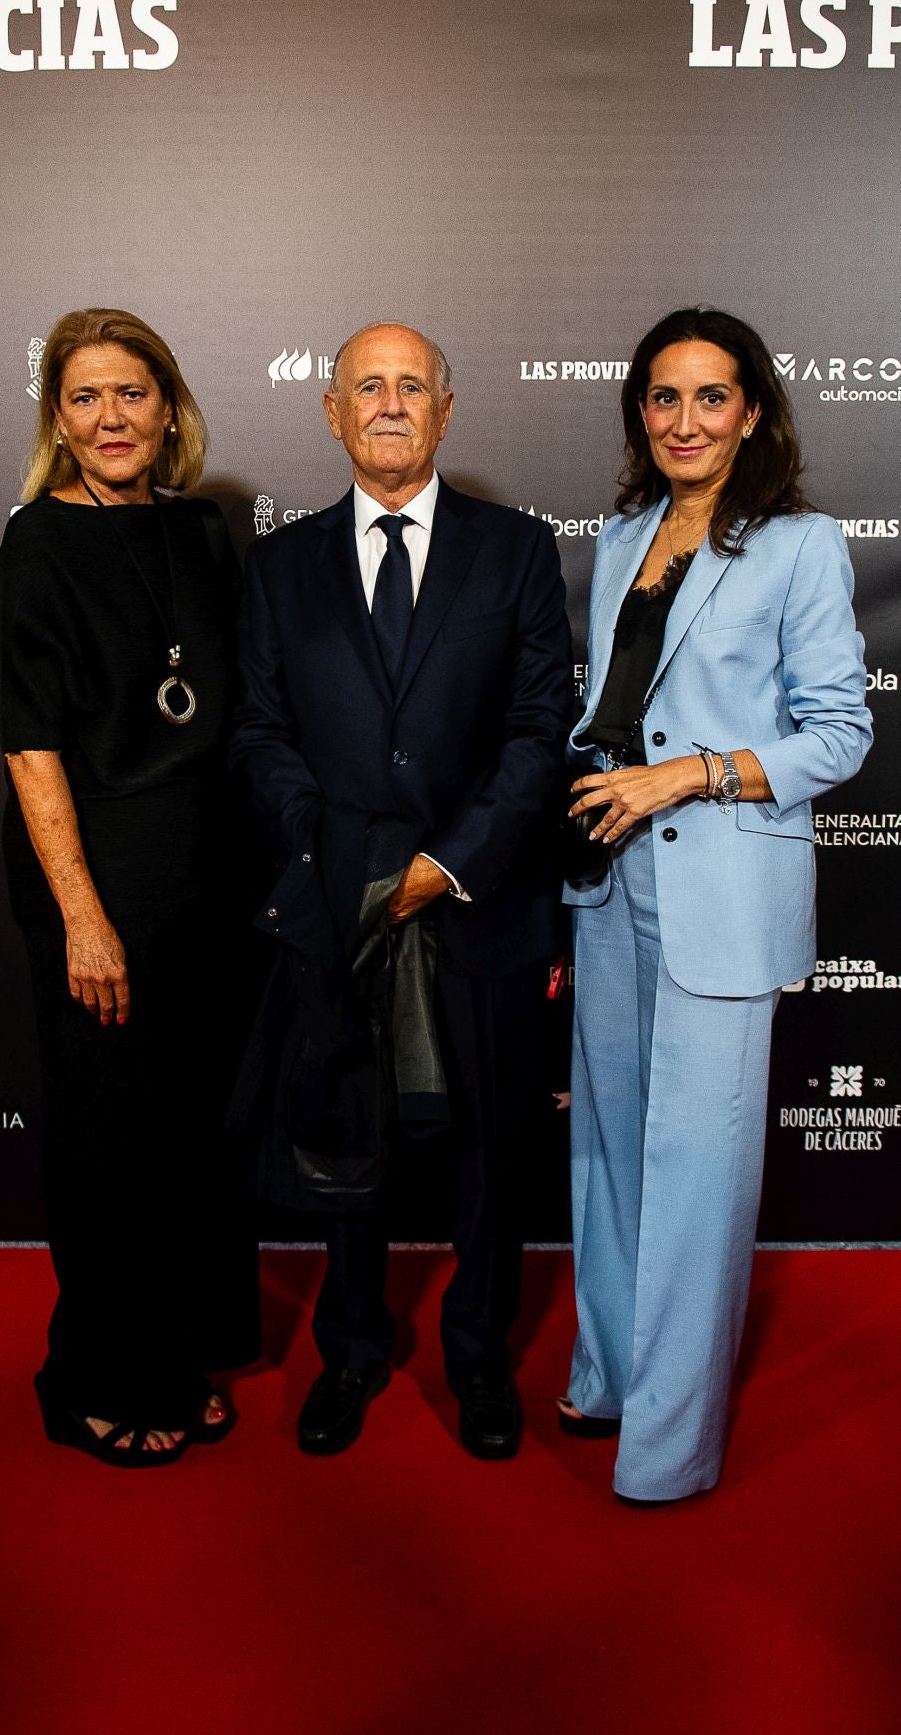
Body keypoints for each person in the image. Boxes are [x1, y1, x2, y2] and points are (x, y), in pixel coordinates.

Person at [231, 322, 571, 1459]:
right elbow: (260, 734)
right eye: (364, 386)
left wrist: (449, 861)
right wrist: (333, 855)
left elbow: (538, 731)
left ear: (445, 409)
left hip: (480, 902)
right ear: (330, 412)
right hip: (337, 906)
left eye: (409, 385)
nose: (388, 403)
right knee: (348, 1142)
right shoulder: (276, 568)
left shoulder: (515, 552)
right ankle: (352, 1352)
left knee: (488, 1153)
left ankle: (478, 1361)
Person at [560, 306, 872, 1503]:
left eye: (710, 397)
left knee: (693, 1166)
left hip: (721, 889)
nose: (683, 420)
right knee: (606, 1151)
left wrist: (690, 773)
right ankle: (607, 1377)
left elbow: (838, 735)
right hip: (606, 882)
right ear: (638, 412)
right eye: (662, 397)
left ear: (750, 413)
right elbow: (608, 710)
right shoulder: (620, 531)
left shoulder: (797, 544)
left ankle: (669, 1448)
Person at [0, 307, 260, 1467]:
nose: (111, 419)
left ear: (167, 406)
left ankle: (177, 1353)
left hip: (208, 877)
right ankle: (98, 1375)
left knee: (191, 1137)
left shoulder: (198, 535)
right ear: (57, 416)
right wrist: (84, 919)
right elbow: (32, 749)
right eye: (85, 398)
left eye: (131, 394)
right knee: (110, 1142)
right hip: (98, 886)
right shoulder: (32, 552)